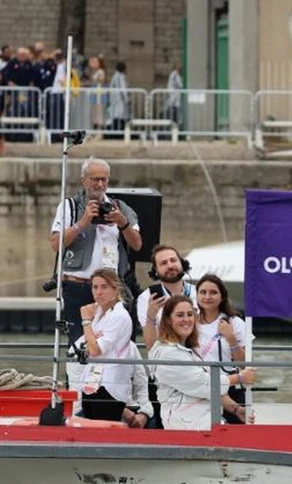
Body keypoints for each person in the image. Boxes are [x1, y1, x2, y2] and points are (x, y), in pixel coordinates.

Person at [49, 157, 142, 343]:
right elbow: (55, 244)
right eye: (95, 179)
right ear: (84, 180)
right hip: (78, 286)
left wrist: (122, 222)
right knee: (79, 344)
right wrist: (82, 223)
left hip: (111, 288)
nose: (100, 184)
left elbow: (137, 244)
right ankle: (75, 373)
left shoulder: (119, 207)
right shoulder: (70, 206)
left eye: (104, 179)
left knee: (113, 344)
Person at [150, 296, 256, 430]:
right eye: (180, 315)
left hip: (204, 423)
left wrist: (236, 410)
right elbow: (205, 384)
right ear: (167, 320)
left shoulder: (187, 350)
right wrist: (239, 378)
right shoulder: (167, 354)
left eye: (190, 314)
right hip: (187, 428)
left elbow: (207, 389)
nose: (186, 319)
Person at [75, 269, 134, 421]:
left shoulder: (119, 316)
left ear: (115, 289)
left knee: (105, 429)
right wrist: (92, 337)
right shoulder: (99, 313)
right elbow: (87, 345)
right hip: (92, 381)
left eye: (104, 287)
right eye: (95, 287)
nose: (98, 292)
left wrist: (86, 321)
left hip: (109, 384)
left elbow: (94, 349)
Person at [196, 274, 250, 424]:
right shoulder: (189, 323)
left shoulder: (235, 323)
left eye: (213, 292)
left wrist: (231, 339)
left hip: (230, 387)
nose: (207, 297)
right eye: (203, 292)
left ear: (222, 296)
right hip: (198, 388)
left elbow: (245, 363)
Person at [138, 245, 196, 351]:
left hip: (200, 359)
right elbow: (151, 347)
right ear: (156, 270)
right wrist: (151, 316)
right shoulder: (147, 297)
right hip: (166, 359)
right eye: (163, 263)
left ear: (182, 264)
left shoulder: (198, 293)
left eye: (173, 260)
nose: (170, 266)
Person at [107, 61, 130, 138]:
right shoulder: (120, 76)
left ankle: (115, 134)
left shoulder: (115, 75)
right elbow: (123, 89)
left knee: (116, 116)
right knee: (120, 117)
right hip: (120, 99)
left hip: (116, 99)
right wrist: (127, 99)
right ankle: (118, 135)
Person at [87, 56, 106, 135]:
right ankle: (94, 131)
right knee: (94, 113)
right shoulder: (93, 72)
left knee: (99, 114)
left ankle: (99, 132)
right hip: (93, 95)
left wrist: (94, 80)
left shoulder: (101, 71)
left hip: (99, 95)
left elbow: (101, 81)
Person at [166, 60, 183, 128]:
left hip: (174, 99)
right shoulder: (175, 75)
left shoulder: (173, 74)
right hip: (174, 100)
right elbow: (181, 85)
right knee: (175, 117)